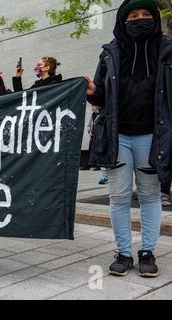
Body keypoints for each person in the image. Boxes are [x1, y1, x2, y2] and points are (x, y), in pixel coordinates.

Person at [84, 0, 172, 278]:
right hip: (117, 136)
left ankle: (147, 252)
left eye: (146, 14)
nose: (140, 19)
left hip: (153, 138)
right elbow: (100, 97)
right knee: (119, 197)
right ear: (123, 21)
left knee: (149, 197)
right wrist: (90, 91)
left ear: (156, 18)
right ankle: (123, 252)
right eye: (133, 15)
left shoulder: (168, 51)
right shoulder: (110, 53)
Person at [87, 106, 108, 184]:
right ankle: (104, 175)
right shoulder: (93, 116)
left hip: (103, 138)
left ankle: (105, 176)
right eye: (92, 106)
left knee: (103, 156)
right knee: (100, 157)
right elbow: (89, 125)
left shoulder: (102, 115)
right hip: (96, 139)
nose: (92, 108)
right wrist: (90, 131)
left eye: (94, 106)